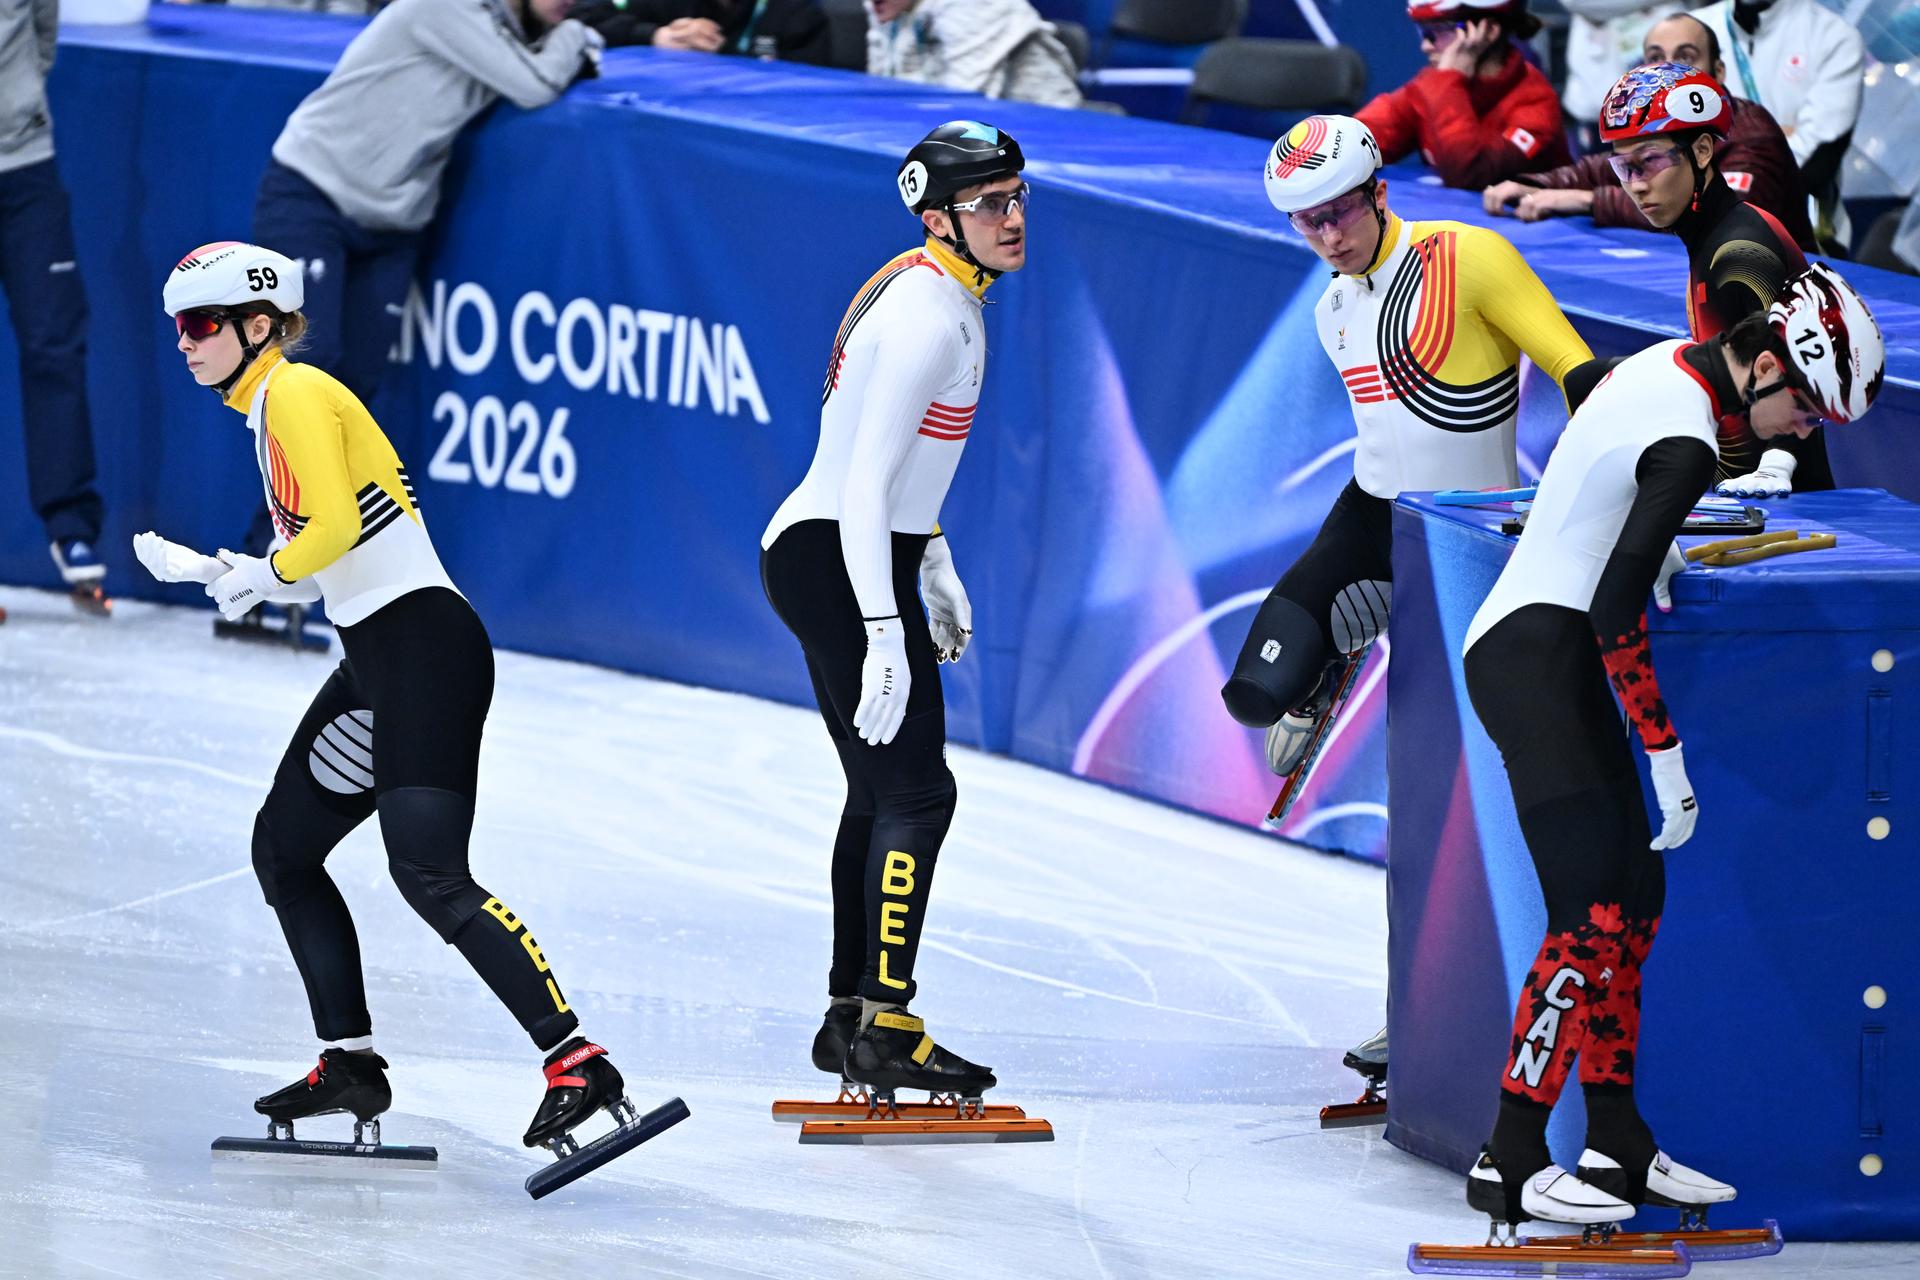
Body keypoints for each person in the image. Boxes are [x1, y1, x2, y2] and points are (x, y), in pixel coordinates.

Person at [139, 242, 628, 1161]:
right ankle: (349, 1062)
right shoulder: (274, 409)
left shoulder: (294, 393)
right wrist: (228, 573)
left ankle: (577, 1059)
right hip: (380, 654)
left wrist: (263, 568)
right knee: (284, 851)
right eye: (178, 327)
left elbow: (319, 533)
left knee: (430, 873)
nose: (185, 343)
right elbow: (337, 548)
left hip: (425, 654)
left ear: (257, 327)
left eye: (201, 325)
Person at [1457, 261, 1883, 1233]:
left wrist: (1660, 544)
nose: (1805, 432)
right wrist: (1663, 750)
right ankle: (1510, 1155)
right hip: (1536, 657)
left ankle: (1617, 1140)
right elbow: (1614, 606)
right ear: (1769, 364)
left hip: (1542, 649)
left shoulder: (1671, 367)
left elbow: (1604, 501)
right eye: (1809, 411)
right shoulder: (1692, 443)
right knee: (1592, 914)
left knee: (1635, 904)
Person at [1222, 115, 1596, 1084]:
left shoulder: (1466, 256)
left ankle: (1491, 1006)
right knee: (1260, 696)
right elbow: (1383, 454)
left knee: (1469, 795)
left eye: (1337, 211)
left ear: (1379, 188)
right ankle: (1426, 1012)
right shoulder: (1332, 306)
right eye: (1305, 223)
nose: (1327, 236)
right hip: (1377, 524)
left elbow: (1578, 371)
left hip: (1470, 542)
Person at [760, 121, 1027, 1103]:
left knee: (880, 795)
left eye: (1017, 195)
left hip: (838, 549)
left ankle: (850, 1019)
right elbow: (867, 483)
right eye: (990, 203)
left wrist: (936, 555)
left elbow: (886, 468)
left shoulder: (934, 289)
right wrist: (885, 627)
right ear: (937, 217)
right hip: (843, 553)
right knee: (921, 795)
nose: (1012, 216)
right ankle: (889, 1024)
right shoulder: (930, 317)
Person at [232, 0, 602, 624]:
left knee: (354, 392)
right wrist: (579, 36)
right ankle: (267, 561)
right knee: (304, 372)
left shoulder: (508, 31)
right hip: (314, 191)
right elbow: (534, 85)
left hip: (395, 222)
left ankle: (311, 560)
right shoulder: (440, 6)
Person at [1595, 62, 1831, 496]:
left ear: (1702, 151)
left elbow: (1792, 366)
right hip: (1737, 500)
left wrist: (1776, 465)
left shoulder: (1740, 250)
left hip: (1780, 509)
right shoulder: (1713, 236)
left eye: (1648, 161)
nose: (1637, 186)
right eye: (1623, 169)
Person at [1483, 13, 1812, 249]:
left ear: (1719, 71)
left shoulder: (1750, 133)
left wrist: (1589, 202)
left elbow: (1731, 217)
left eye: (1686, 56)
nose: (1670, 70)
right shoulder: (1653, 121)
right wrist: (1535, 185)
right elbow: (1599, 168)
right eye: (1656, 58)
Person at [1, 0, 109, 608]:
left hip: (26, 165)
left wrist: (18, 106)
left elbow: (43, 27)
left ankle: (70, 528)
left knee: (55, 345)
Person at [1690, 0, 1864, 248]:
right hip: (1690, 235)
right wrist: (1777, 136)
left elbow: (1813, 165)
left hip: (1804, 242)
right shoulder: (1694, 27)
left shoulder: (1834, 37)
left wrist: (1715, 151)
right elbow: (1666, 143)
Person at [1355, 0, 1571, 189]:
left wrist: (1448, 81)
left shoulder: (1536, 103)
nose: (1425, 46)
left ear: (1487, 31)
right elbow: (1353, 144)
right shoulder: (1432, 86)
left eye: (1436, 32)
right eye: (1422, 32)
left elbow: (1469, 173)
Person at [865, 0, 1082, 108]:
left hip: (1044, 135)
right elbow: (884, 85)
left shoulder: (976, 4)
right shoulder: (886, 4)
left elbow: (963, 103)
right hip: (967, 135)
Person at [574, 0, 830, 61]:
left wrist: (720, 50)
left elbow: (809, 93)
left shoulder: (799, 11)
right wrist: (656, 35)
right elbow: (581, 18)